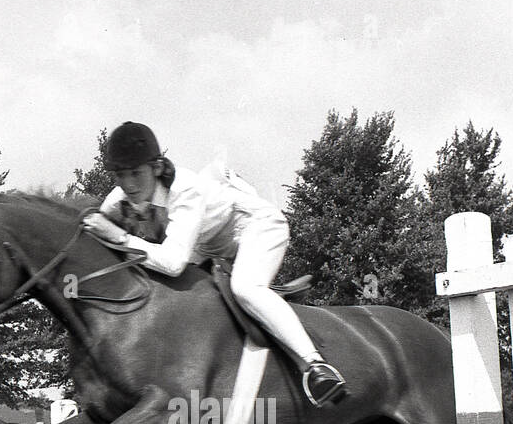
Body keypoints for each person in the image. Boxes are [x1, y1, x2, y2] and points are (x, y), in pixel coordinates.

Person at [80, 122, 348, 406]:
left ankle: (316, 366)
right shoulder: (123, 194)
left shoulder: (186, 190)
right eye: (120, 175)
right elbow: (95, 218)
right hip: (210, 246)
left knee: (245, 287)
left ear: (156, 168)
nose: (129, 184)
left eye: (136, 173)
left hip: (257, 227)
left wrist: (120, 237)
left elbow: (172, 263)